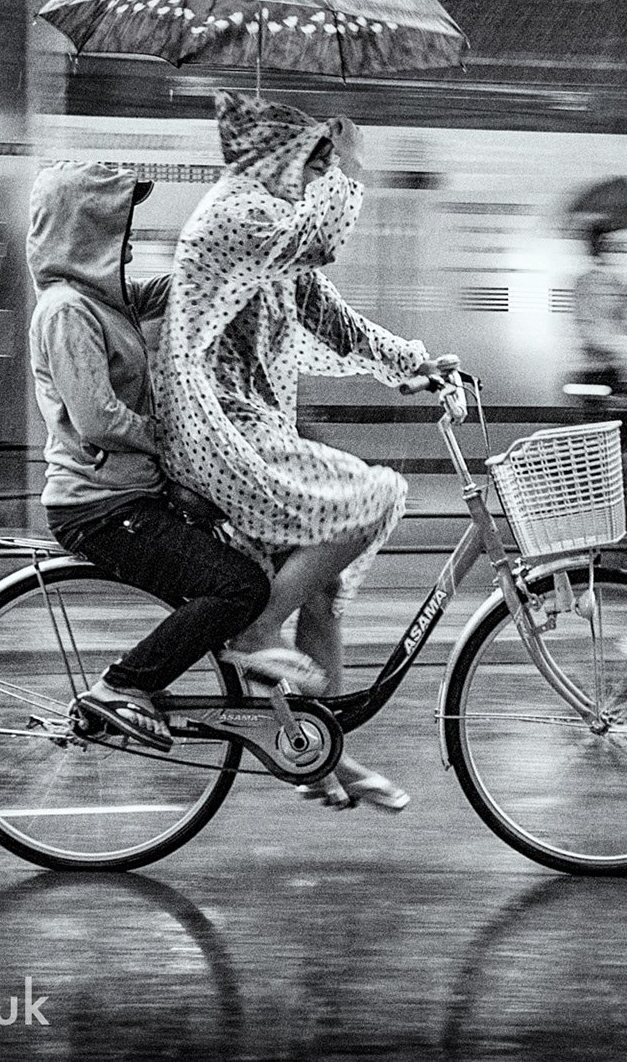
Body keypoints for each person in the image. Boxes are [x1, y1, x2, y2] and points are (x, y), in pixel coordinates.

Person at [153, 91, 447, 813]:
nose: (319, 174)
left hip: (256, 424)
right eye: (311, 159)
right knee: (371, 497)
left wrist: (415, 365)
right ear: (280, 156)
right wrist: (350, 164)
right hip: (218, 425)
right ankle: (254, 627)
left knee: (323, 588)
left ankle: (323, 757)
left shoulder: (274, 227)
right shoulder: (239, 211)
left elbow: (331, 318)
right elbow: (321, 242)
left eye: (323, 162)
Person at [26, 160, 272, 753]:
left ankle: (271, 692)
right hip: (101, 507)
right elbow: (98, 419)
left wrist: (235, 259)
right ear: (86, 234)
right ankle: (122, 686)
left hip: (130, 495)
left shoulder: (105, 301)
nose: (130, 250)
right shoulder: (67, 311)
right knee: (239, 589)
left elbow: (172, 292)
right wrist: (176, 437)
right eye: (120, 234)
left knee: (253, 552)